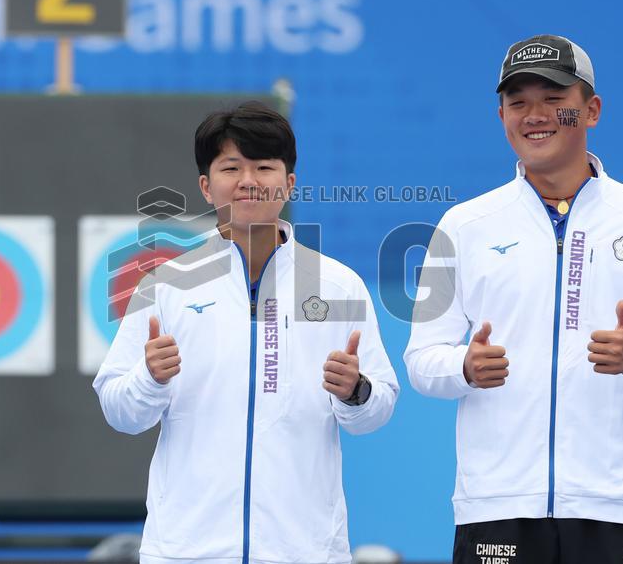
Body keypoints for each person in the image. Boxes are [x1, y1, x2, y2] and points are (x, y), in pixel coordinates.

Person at [404, 35, 623, 564]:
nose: (535, 115)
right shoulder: (463, 225)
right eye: (518, 102)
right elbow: (420, 359)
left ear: (591, 110)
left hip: (611, 506)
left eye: (553, 99)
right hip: (496, 503)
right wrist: (463, 367)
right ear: (501, 116)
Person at [94, 101, 399, 564]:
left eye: (264, 167)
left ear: (289, 183)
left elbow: (376, 411)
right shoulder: (166, 286)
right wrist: (149, 379)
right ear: (206, 186)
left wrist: (356, 391)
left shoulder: (338, 286)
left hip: (303, 552)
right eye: (232, 167)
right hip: (187, 551)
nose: (248, 180)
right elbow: (120, 412)